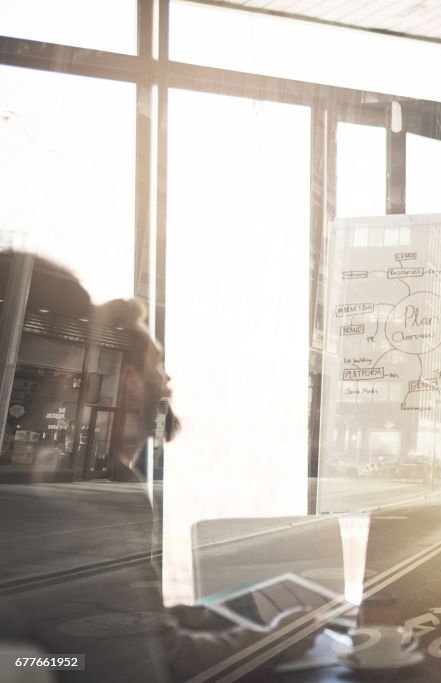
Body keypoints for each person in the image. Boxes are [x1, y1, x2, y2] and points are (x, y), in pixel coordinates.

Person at [0, 252, 318, 681]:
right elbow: (163, 664)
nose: (167, 380)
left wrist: (213, 613)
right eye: (157, 365)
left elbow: (108, 626)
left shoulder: (78, 483)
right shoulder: (85, 504)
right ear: (127, 379)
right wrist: (278, 637)